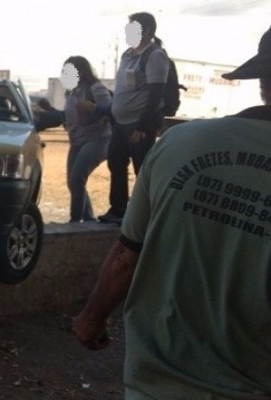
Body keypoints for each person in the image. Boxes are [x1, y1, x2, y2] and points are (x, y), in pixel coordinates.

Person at [72, 26, 271, 399]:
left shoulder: (181, 142)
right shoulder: (132, 63)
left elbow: (125, 258)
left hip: (155, 386)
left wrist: (91, 320)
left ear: (261, 79)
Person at [98, 12, 169, 224]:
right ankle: (118, 210)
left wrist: (142, 126)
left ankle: (142, 216)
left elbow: (156, 94)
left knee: (142, 170)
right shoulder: (128, 55)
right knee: (116, 163)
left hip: (139, 125)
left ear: (148, 31)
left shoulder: (155, 55)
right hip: (120, 124)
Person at [61, 56, 111, 223]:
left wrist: (94, 108)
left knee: (76, 179)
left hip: (97, 140)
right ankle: (88, 219)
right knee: (73, 182)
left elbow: (111, 109)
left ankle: (75, 221)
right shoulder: (71, 92)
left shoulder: (95, 88)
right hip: (76, 142)